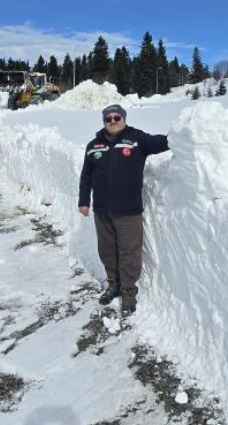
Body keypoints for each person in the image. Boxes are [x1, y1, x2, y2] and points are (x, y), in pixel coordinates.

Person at [78, 104, 169, 315]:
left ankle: (128, 291)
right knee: (107, 251)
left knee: (129, 253)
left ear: (124, 118)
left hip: (128, 211)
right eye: (108, 118)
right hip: (102, 210)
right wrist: (84, 201)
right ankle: (113, 284)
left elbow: (164, 142)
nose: (112, 121)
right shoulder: (94, 145)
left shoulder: (137, 139)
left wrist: (186, 133)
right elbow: (86, 176)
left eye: (117, 117)